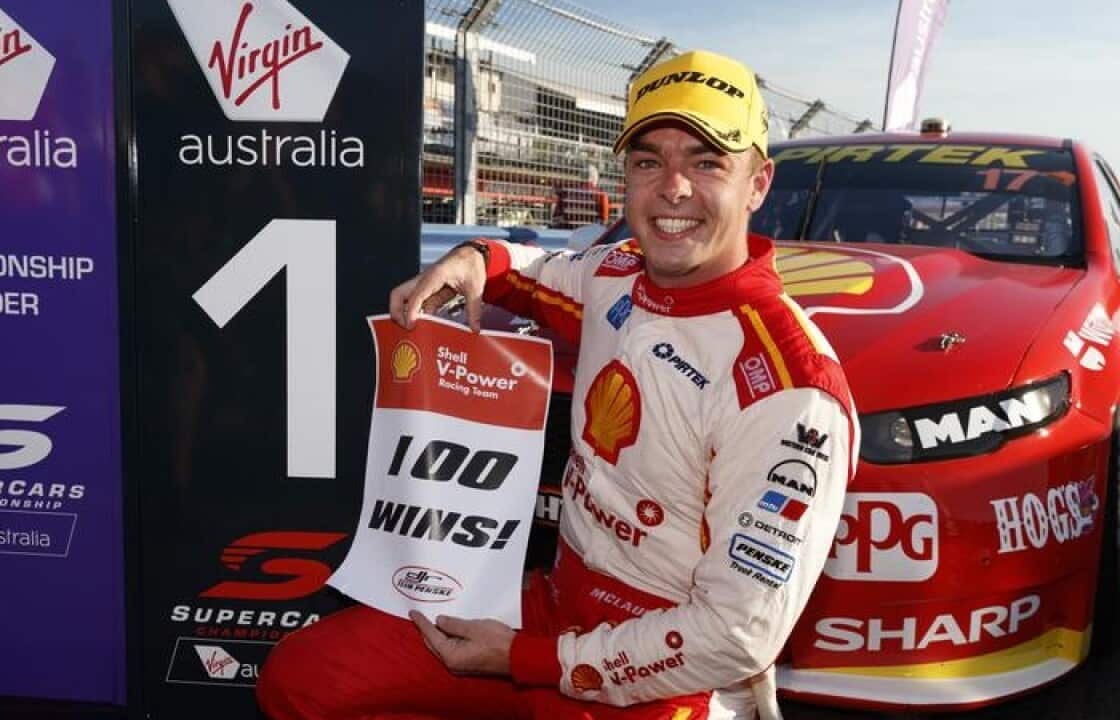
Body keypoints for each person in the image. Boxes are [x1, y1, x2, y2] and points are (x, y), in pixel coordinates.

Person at [258, 49, 858, 720]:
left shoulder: (788, 385)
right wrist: (471, 257)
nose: (674, 188)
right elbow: (535, 268)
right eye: (648, 161)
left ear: (757, 183)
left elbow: (738, 634)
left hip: (664, 675)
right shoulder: (617, 273)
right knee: (304, 680)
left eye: (707, 161)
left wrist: (525, 661)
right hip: (552, 608)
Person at [552, 163, 611, 228]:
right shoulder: (601, 195)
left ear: (580, 176)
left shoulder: (566, 192)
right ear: (595, 178)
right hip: (591, 232)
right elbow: (604, 220)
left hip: (568, 230)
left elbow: (556, 217)